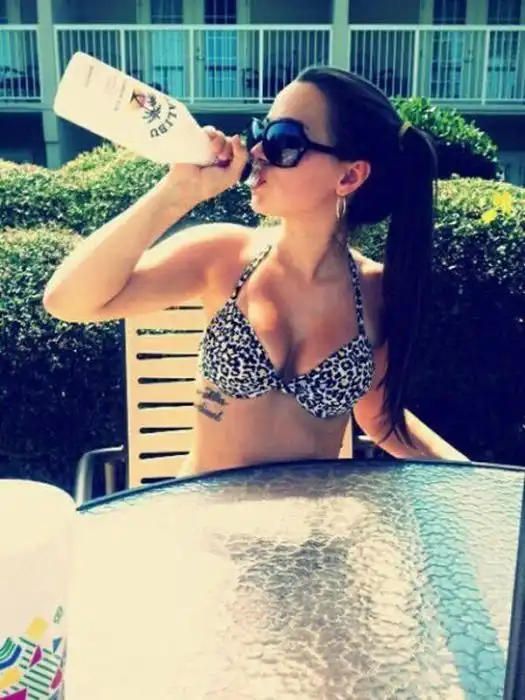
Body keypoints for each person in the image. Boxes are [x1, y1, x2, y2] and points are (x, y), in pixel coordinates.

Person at [43, 66, 468, 477]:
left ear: (350, 176)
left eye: (284, 140)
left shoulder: (377, 292)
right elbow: (67, 300)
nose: (259, 152)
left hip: (313, 521)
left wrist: (478, 482)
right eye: (260, 132)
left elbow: (380, 420)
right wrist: (177, 193)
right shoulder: (222, 256)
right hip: (207, 515)